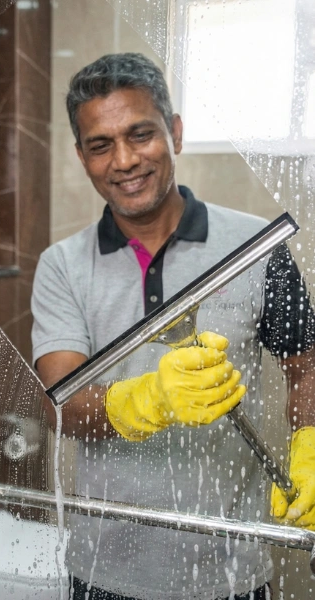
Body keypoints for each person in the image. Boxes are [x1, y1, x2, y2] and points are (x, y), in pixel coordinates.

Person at [31, 53, 315, 600]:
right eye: (100, 145)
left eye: (141, 135)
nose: (124, 160)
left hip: (231, 567)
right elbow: (58, 404)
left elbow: (306, 369)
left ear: (175, 133)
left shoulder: (257, 249)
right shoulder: (62, 265)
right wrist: (148, 398)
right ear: (81, 157)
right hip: (103, 569)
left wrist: (309, 442)